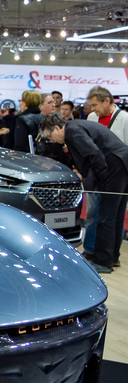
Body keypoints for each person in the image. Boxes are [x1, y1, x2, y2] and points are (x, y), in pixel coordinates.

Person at [41, 114, 128, 274]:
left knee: (106, 216)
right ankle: (112, 257)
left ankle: (103, 262)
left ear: (57, 128)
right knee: (115, 215)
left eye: (50, 136)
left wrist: (101, 179)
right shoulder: (76, 127)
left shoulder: (72, 131)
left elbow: (94, 154)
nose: (51, 140)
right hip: (121, 162)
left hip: (113, 165)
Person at [80, 86, 128, 263]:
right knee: (92, 214)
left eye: (95, 105)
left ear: (107, 101)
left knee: (113, 216)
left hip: (117, 176)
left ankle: (112, 254)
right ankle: (90, 249)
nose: (92, 109)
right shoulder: (92, 118)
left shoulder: (125, 119)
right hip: (96, 173)